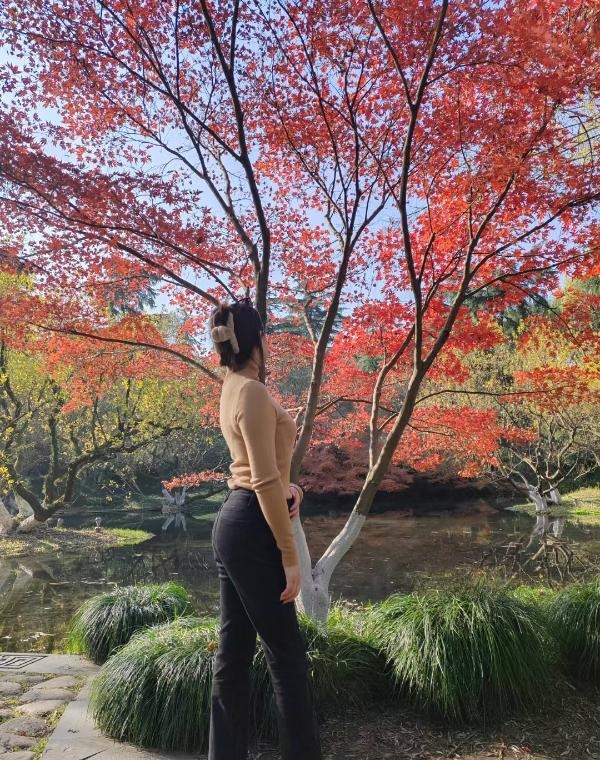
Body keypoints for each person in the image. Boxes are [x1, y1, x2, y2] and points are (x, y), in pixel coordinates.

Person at [207, 294, 323, 760]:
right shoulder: (252, 391)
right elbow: (261, 478)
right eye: (266, 336)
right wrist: (290, 557)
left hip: (237, 520)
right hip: (252, 524)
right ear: (257, 339)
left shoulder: (232, 385)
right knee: (287, 656)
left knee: (233, 653)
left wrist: (289, 486)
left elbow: (260, 469)